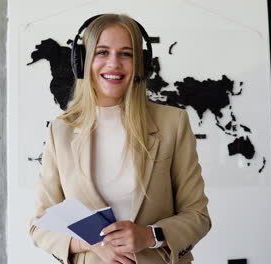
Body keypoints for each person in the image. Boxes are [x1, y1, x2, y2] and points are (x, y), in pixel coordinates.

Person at [29, 13, 211, 264]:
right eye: (102, 52)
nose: (114, 63)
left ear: (141, 64)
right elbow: (40, 226)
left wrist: (150, 236)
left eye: (126, 54)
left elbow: (198, 215)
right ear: (83, 60)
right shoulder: (61, 130)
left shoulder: (173, 123)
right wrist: (92, 243)